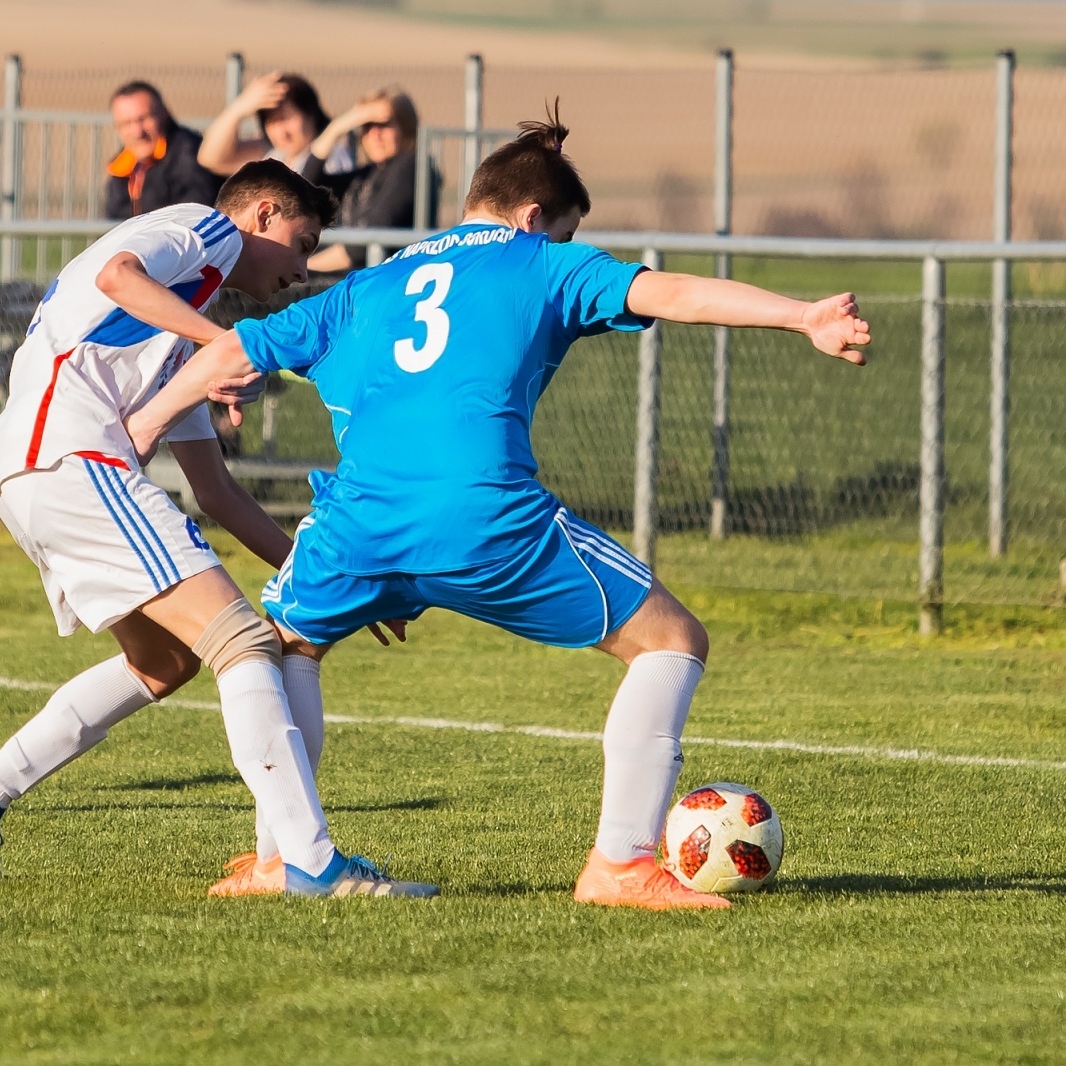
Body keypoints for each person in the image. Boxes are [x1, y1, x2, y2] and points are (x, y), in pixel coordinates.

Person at [124, 114, 871, 908]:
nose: (568, 246)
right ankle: (619, 866)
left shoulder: (368, 286)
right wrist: (802, 315)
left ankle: (281, 856)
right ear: (532, 216)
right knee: (672, 640)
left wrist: (143, 426)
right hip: (483, 516)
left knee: (287, 648)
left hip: (361, 524)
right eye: (566, 232)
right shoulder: (541, 262)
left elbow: (231, 348)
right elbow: (675, 291)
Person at [0, 159, 436, 900]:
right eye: (301, 242)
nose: (302, 268)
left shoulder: (177, 335)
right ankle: (312, 866)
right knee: (244, 641)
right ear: (261, 214)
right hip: (70, 453)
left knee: (164, 663)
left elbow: (219, 494)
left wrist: (331, 579)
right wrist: (226, 346)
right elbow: (119, 276)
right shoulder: (206, 228)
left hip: (33, 468)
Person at [305, 87, 437, 274]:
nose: (375, 135)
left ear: (405, 127)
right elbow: (305, 191)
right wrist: (335, 129)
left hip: (384, 281)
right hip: (353, 279)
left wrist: (304, 269)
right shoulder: (366, 174)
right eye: (367, 126)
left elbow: (366, 241)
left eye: (383, 125)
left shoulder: (411, 166)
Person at [197, 72, 354, 180]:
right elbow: (210, 159)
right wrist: (238, 109)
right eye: (272, 122)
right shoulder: (274, 154)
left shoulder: (332, 156)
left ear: (311, 115)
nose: (281, 132)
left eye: (286, 119)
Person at [104, 80, 223, 219]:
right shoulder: (121, 167)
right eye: (126, 123)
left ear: (164, 113)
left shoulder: (189, 153)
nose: (138, 132)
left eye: (143, 119)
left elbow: (195, 210)